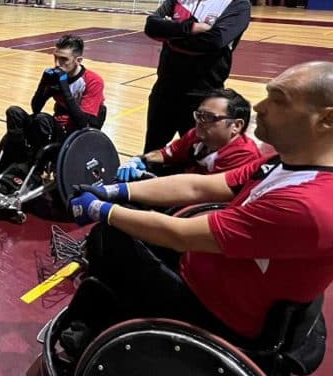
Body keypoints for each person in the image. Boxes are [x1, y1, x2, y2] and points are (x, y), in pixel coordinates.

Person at [67, 61, 333, 347]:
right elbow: (197, 186)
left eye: (278, 100)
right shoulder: (283, 162)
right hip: (209, 272)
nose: (259, 106)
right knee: (122, 232)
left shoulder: (309, 205)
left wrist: (101, 210)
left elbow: (178, 235)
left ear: (326, 120)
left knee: (109, 239)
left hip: (217, 315)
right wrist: (116, 191)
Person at [143, 0, 251, 152]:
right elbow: (151, 26)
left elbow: (213, 41)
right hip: (164, 91)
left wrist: (170, 35)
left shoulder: (237, 4)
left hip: (204, 98)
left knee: (196, 155)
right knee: (152, 150)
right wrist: (191, 27)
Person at [0, 34, 105, 173]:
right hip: (55, 126)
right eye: (56, 57)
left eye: (63, 59)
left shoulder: (93, 81)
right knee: (14, 112)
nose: (57, 64)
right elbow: (35, 108)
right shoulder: (55, 76)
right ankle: (19, 160)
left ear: (78, 60)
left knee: (42, 119)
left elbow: (83, 123)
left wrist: (64, 89)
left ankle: (35, 169)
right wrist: (43, 85)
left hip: (73, 133)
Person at [117, 88, 261, 181]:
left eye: (208, 117)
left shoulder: (243, 154)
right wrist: (139, 160)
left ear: (236, 125)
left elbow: (201, 191)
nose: (199, 121)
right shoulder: (198, 135)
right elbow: (167, 154)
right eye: (199, 115)